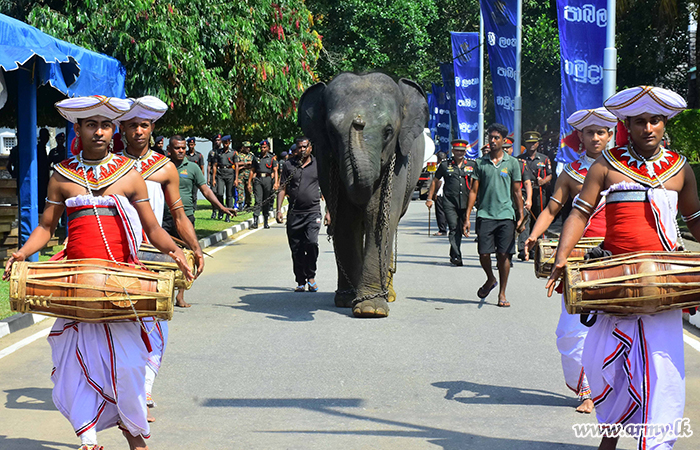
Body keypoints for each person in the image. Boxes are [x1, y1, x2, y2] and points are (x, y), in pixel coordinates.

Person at [3, 95, 192, 450]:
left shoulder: (129, 175)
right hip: (79, 285)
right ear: (78, 129)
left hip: (122, 286)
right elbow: (46, 228)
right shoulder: (62, 176)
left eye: (105, 125)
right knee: (77, 368)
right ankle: (89, 438)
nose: (100, 132)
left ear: (112, 130)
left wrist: (175, 250)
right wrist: (22, 252)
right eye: (92, 125)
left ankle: (135, 436)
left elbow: (152, 228)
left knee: (130, 368)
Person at [546, 86, 700, 450]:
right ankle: (610, 437)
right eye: (640, 121)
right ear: (626, 125)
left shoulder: (680, 169)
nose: (649, 128)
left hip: (663, 285)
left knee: (661, 372)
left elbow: (694, 218)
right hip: (615, 282)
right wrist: (561, 258)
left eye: (656, 120)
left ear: (664, 124)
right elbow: (580, 212)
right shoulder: (606, 165)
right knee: (605, 367)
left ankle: (656, 444)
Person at [117, 96, 206, 424]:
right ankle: (124, 388)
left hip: (154, 256)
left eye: (144, 125)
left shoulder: (164, 167)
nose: (138, 131)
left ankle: (145, 388)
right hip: (117, 254)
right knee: (122, 322)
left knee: (156, 320)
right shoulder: (111, 166)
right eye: (132, 125)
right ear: (122, 128)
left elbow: (178, 215)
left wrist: (194, 248)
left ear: (152, 128)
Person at [523, 107, 616, 414]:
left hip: (616, 258)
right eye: (589, 132)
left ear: (610, 135)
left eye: (601, 132)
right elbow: (551, 210)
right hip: (576, 261)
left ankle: (610, 390)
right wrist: (534, 235)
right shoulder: (572, 172)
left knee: (614, 329)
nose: (595, 137)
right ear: (581, 136)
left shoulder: (623, 172)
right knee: (570, 333)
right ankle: (587, 390)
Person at [163, 135, 235, 306]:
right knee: (165, 256)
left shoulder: (193, 167)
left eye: (183, 148)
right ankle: (164, 295)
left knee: (187, 256)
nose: (181, 151)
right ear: (169, 150)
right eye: (177, 148)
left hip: (186, 218)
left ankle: (180, 295)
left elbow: (206, 190)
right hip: (164, 218)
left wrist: (221, 207)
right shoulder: (162, 166)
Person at [463, 123, 524, 307]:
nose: (493, 140)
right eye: (490, 137)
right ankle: (490, 278)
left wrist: (520, 215)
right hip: (485, 214)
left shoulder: (512, 163)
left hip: (506, 215)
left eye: (496, 138)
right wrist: (467, 217)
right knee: (483, 253)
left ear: (504, 141)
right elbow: (473, 191)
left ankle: (502, 293)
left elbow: (517, 191)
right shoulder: (480, 163)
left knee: (504, 255)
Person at [277, 136, 323, 292]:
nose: (302, 150)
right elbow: (282, 187)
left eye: (305, 147)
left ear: (310, 147)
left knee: (311, 243)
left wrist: (329, 211)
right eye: (299, 147)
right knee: (296, 249)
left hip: (313, 211)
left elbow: (327, 188)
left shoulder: (318, 164)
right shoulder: (289, 165)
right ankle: (301, 281)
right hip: (294, 213)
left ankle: (311, 276)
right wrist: (278, 209)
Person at [426, 140, 474, 265]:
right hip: (449, 202)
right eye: (457, 150)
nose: (460, 153)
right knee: (453, 228)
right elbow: (435, 181)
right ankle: (457, 256)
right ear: (453, 151)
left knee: (461, 229)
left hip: (465, 202)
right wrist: (429, 198)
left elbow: (476, 184)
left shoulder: (471, 164)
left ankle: (453, 253)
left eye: (462, 151)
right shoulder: (445, 165)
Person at [517, 131, 552, 260]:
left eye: (534, 143)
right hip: (524, 193)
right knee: (524, 220)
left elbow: (550, 175)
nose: (531, 145)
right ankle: (522, 248)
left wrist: (544, 181)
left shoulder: (544, 159)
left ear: (538, 143)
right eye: (529, 143)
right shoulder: (519, 159)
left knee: (538, 219)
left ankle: (535, 248)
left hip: (539, 193)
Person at [251, 139, 277, 229]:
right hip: (258, 179)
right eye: (261, 147)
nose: (262, 149)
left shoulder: (271, 158)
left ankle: (266, 221)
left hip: (268, 179)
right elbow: (252, 170)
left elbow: (275, 170)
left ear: (268, 148)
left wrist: (276, 183)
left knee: (266, 201)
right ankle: (255, 221)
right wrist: (249, 183)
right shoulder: (256, 157)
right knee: (258, 200)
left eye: (264, 147)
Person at [212, 135, 237, 221]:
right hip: (220, 174)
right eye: (224, 143)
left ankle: (228, 214)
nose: (226, 145)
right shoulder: (218, 152)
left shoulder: (233, 153)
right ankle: (221, 209)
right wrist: (213, 179)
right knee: (219, 193)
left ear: (229, 143)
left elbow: (236, 166)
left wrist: (236, 179)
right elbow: (214, 165)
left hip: (230, 174)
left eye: (227, 143)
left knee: (229, 195)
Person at [431, 151, 448, 236]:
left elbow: (439, 182)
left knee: (440, 212)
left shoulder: (440, 166)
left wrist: (434, 193)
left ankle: (442, 230)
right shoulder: (448, 165)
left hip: (440, 193)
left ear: (438, 159)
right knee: (445, 212)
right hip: (447, 192)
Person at [235, 140, 254, 210]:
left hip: (249, 176)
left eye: (249, 147)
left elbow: (253, 164)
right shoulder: (238, 155)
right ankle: (240, 205)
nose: (248, 149)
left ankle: (248, 204)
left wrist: (243, 164)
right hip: (241, 176)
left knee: (249, 190)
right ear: (243, 147)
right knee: (240, 190)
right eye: (246, 147)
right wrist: (246, 164)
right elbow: (237, 164)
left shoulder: (251, 155)